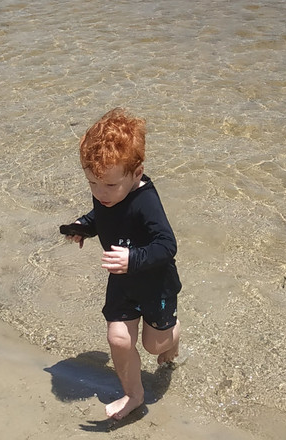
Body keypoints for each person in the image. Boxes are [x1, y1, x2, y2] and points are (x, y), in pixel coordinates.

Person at [64, 108, 182, 421]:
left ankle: (173, 335)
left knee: (155, 346)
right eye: (92, 184)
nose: (100, 194)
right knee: (117, 338)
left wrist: (133, 258)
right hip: (122, 280)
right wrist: (84, 227)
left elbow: (167, 246)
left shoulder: (146, 200)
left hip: (155, 281)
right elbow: (104, 217)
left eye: (109, 186)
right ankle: (133, 394)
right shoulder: (107, 188)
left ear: (137, 172)